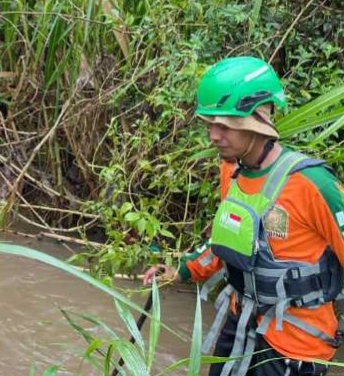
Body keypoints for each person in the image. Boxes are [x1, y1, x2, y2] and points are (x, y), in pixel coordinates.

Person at [143, 56, 344, 376]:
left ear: (258, 120)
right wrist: (182, 271)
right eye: (210, 124)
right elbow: (227, 240)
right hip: (239, 326)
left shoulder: (313, 185)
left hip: (294, 347)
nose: (213, 135)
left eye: (224, 126)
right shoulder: (231, 171)